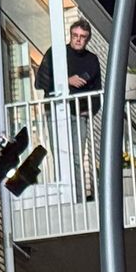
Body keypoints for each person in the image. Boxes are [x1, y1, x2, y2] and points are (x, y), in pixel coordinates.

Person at [36, 18, 103, 200]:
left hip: (78, 115)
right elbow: (40, 80)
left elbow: (97, 90)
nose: (78, 39)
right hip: (56, 113)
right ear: (70, 35)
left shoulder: (91, 60)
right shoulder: (56, 53)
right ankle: (64, 198)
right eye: (75, 35)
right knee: (60, 156)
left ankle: (78, 199)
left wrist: (90, 110)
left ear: (87, 39)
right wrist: (66, 81)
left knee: (76, 159)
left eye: (83, 37)